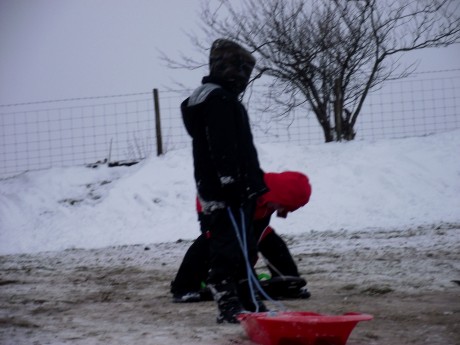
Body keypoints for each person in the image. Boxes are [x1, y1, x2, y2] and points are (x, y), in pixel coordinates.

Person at [180, 38, 268, 323]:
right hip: (225, 189)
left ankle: (248, 302)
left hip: (237, 188)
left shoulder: (223, 100)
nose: (244, 79)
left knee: (245, 247)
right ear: (225, 68)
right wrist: (231, 182)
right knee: (227, 247)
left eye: (247, 73)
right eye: (241, 71)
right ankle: (227, 300)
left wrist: (255, 184)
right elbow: (223, 147)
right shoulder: (218, 101)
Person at [171, 171, 312, 303]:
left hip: (250, 217)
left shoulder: (269, 200)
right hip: (219, 209)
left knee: (269, 239)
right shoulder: (248, 188)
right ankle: (185, 286)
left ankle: (288, 279)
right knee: (212, 242)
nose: (281, 210)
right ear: (278, 195)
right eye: (282, 206)